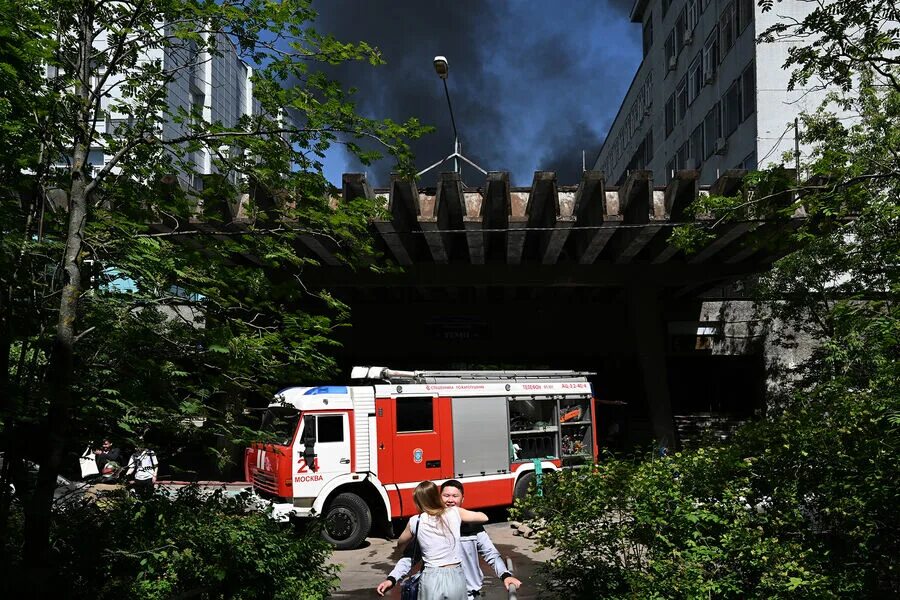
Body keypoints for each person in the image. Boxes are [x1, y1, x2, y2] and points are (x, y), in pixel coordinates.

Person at [377, 480, 522, 598]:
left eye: (455, 496)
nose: (450, 500)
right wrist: (392, 578)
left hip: (469, 594)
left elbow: (491, 554)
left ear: (462, 499)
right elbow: (410, 557)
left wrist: (505, 575)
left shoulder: (474, 528)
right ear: (439, 498)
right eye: (446, 496)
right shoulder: (428, 526)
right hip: (437, 589)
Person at [388, 481, 489, 600]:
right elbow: (484, 517)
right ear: (437, 497)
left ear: (418, 501)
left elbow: (400, 544)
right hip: (456, 575)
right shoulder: (454, 512)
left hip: (431, 577)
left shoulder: (416, 521)